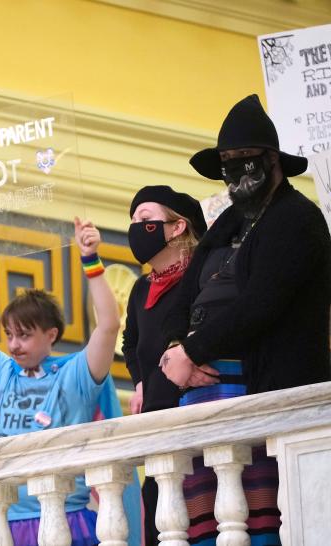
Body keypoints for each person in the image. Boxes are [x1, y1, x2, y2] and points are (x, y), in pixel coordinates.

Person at [160, 94, 331, 545]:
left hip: (265, 396)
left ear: (271, 160)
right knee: (206, 525)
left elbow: (261, 304)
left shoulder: (298, 219)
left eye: (244, 159)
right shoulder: (227, 223)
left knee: (261, 525)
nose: (235, 169)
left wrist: (193, 351)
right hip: (206, 397)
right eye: (227, 161)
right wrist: (178, 352)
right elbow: (184, 299)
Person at [0, 217, 141, 546]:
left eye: (25, 335)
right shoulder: (0, 372)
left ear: (52, 335)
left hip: (66, 518)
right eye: (9, 335)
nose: (14, 344)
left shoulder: (75, 376)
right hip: (3, 523)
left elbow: (108, 324)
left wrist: (91, 259)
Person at [121, 185, 207, 545]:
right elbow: (130, 343)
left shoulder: (201, 277)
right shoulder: (141, 289)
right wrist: (140, 381)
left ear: (177, 226)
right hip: (156, 427)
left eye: (146, 219)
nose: (136, 228)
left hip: (196, 420)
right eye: (132, 221)